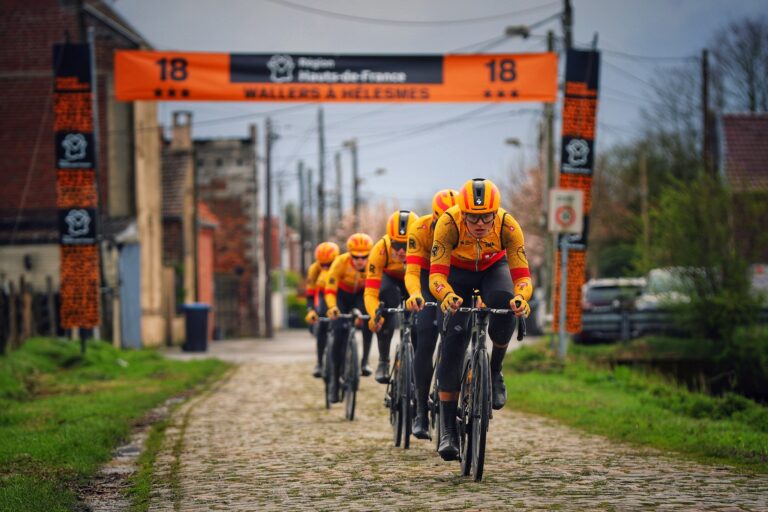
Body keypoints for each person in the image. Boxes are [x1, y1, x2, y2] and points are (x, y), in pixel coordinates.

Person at [428, 178, 532, 461]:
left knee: (504, 301)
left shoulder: (509, 226)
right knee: (452, 343)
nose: (480, 224)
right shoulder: (448, 223)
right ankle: (448, 428)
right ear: (463, 213)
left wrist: (521, 298)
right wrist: (446, 294)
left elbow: (522, 278)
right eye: (473, 218)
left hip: (492, 268)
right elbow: (436, 275)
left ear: (495, 213)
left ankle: (495, 370)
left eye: (486, 217)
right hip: (456, 275)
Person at [404, 189, 459, 440]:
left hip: (455, 274)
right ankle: (420, 411)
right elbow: (413, 271)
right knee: (425, 337)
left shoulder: (466, 227)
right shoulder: (420, 229)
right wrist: (416, 294)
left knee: (457, 337)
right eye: (440, 220)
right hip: (428, 277)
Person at [364, 210, 418, 384]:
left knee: (419, 320)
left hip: (414, 280)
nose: (401, 251)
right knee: (387, 301)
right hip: (391, 280)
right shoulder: (380, 249)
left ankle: (416, 364)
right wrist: (375, 314)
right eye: (396, 245)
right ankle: (383, 360)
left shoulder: (423, 245)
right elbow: (371, 292)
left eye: (406, 245)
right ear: (389, 240)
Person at [325, 233, 375, 402]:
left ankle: (365, 362)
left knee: (369, 319)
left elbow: (374, 289)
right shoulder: (340, 262)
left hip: (361, 295)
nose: (360, 260)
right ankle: (334, 381)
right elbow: (330, 289)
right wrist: (332, 307)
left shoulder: (373, 265)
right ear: (350, 254)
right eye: (356, 257)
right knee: (339, 332)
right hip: (342, 296)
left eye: (364, 257)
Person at [304, 241, 340, 378]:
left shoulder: (341, 265)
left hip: (338, 295)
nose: (325, 267)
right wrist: (311, 310)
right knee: (322, 327)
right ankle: (319, 363)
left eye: (328, 264)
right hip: (323, 296)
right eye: (322, 264)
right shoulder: (314, 269)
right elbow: (310, 293)